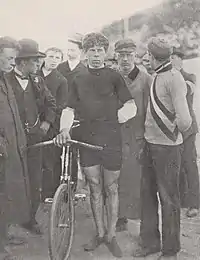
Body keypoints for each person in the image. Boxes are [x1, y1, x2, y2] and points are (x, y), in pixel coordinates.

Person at [55, 32, 137, 258]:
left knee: (111, 188)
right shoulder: (78, 79)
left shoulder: (114, 76)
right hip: (87, 138)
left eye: (100, 50)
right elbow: (69, 109)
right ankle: (100, 233)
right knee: (93, 186)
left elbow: (131, 106)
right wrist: (64, 129)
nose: (96, 54)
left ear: (105, 52)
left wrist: (114, 119)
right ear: (85, 53)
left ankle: (111, 236)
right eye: (92, 50)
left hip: (111, 139)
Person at [133, 37, 192, 260]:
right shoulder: (157, 74)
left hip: (167, 149)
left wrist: (171, 133)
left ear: (153, 57)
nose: (146, 58)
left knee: (169, 200)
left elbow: (185, 120)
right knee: (147, 196)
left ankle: (170, 251)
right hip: (150, 145)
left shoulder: (174, 78)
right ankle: (149, 244)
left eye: (148, 55)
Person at [6, 39, 57, 235]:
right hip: (12, 140)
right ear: (22, 62)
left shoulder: (37, 81)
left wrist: (45, 124)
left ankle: (30, 218)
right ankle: (8, 224)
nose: (38, 65)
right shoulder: (5, 80)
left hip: (35, 140)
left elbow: (51, 104)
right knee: (12, 179)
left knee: (35, 180)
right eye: (35, 61)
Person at [114, 39, 152, 231]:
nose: (125, 59)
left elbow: (150, 110)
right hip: (115, 136)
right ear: (116, 57)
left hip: (137, 137)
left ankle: (136, 216)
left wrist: (146, 137)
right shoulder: (112, 76)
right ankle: (119, 216)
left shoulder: (145, 79)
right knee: (116, 177)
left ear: (135, 56)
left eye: (129, 55)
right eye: (121, 55)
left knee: (136, 178)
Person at [0, 37, 31, 259]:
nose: (13, 63)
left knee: (9, 194)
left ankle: (4, 234)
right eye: (9, 58)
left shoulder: (4, 79)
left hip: (12, 146)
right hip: (2, 148)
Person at [171, 48, 199, 218]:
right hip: (173, 128)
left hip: (188, 129)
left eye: (174, 58)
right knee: (177, 164)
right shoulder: (168, 77)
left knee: (190, 164)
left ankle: (194, 203)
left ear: (181, 60)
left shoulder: (189, 77)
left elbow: (186, 92)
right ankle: (182, 200)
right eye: (170, 58)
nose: (172, 61)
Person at [39, 47, 68, 201]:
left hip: (52, 124)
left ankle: (50, 194)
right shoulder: (34, 75)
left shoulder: (61, 80)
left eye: (57, 58)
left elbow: (61, 105)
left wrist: (49, 122)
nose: (53, 60)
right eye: (51, 57)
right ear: (44, 58)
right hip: (32, 123)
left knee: (51, 159)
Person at [57, 34, 86, 190]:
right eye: (68, 49)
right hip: (61, 113)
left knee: (74, 151)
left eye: (73, 50)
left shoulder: (85, 69)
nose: (69, 52)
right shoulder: (60, 68)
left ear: (80, 50)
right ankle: (58, 186)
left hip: (79, 115)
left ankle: (73, 185)